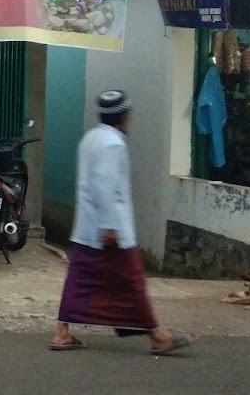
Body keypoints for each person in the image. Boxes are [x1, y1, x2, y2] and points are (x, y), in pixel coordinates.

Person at [49, 90, 195, 355]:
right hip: (109, 230)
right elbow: (105, 186)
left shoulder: (91, 138)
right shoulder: (113, 145)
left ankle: (61, 333)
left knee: (80, 280)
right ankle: (158, 337)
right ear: (124, 117)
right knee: (132, 282)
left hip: (86, 228)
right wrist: (109, 226)